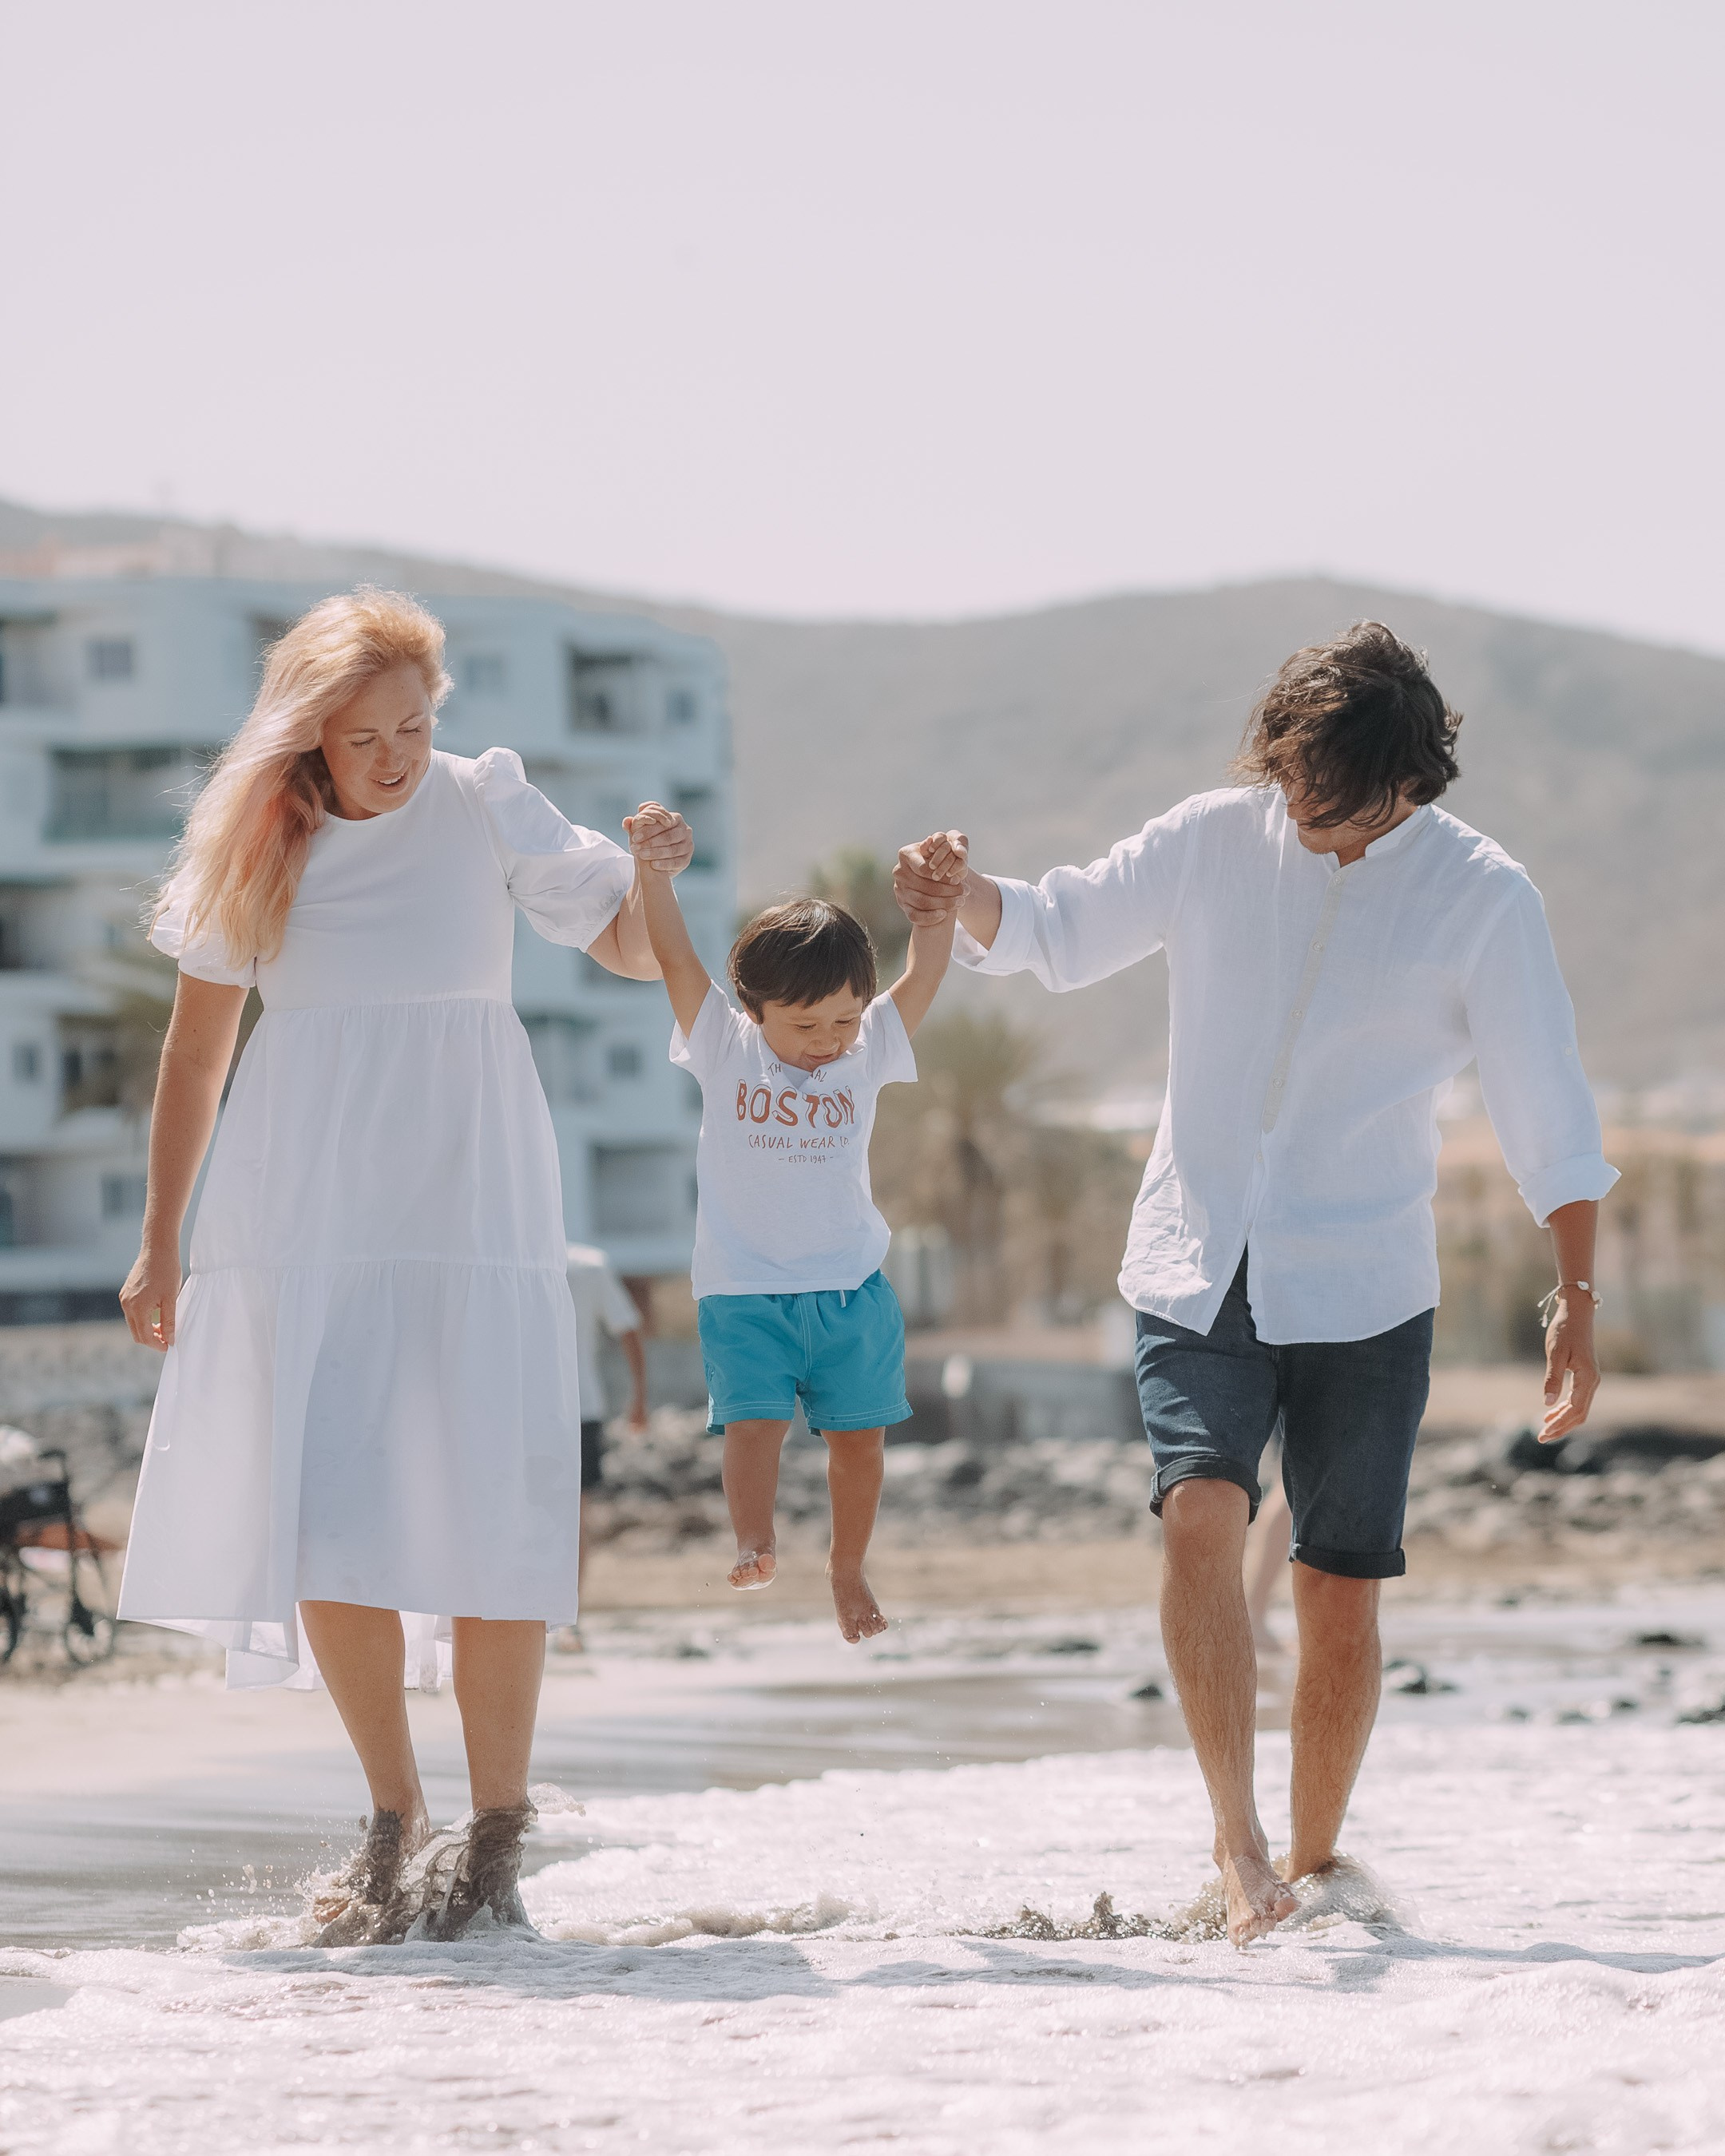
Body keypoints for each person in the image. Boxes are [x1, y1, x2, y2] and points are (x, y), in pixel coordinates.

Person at [893, 621, 1616, 1945]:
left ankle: (1319, 1873)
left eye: (1325, 791)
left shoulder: (1482, 896)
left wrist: (1574, 1293)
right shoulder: (1214, 838)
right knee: (1200, 1514)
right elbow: (1057, 926)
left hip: (1368, 1283)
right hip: (1196, 1254)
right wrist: (965, 894)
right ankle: (1237, 1846)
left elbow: (1545, 1108)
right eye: (1286, 779)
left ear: (1405, 777)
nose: (1297, 810)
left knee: (1339, 1594)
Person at [114, 588, 692, 1944]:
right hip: (304, 1199)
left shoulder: (486, 799)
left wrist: (651, 879)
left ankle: (496, 1831)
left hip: (472, 1192)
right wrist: (160, 1240)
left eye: (414, 725)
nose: (395, 755)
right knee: (327, 1506)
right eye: (366, 734)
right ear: (312, 736)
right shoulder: (260, 847)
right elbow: (193, 1059)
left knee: (495, 1498)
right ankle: (394, 1814)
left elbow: (612, 941)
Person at [626, 805, 965, 1641]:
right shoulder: (723, 1046)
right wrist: (653, 875)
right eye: (804, 1026)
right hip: (745, 1293)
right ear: (753, 1012)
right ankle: (755, 1539)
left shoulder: (871, 1047)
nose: (827, 1041)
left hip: (851, 1293)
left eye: (843, 1021)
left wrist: (940, 909)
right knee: (754, 1426)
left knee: (860, 1444)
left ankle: (847, 1568)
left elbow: (922, 978)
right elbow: (673, 955)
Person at [559, 1240, 649, 1638]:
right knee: (575, 1516)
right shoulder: (588, 1264)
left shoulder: (587, 1264)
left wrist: (640, 1399)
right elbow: (627, 1329)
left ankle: (563, 1616)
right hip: (575, 1408)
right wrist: (639, 1399)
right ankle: (564, 1617)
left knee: (571, 1515)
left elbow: (627, 1329)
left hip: (559, 1410)